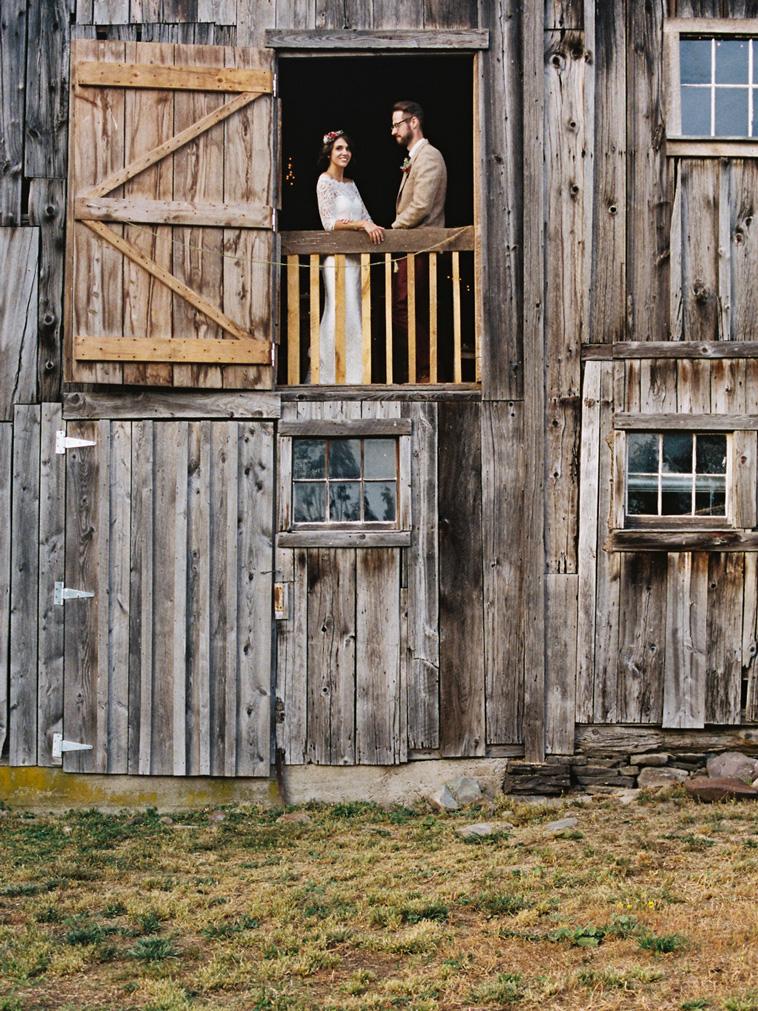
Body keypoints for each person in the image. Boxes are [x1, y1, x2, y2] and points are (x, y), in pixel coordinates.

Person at [316, 130, 384, 384]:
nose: (345, 153)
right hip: (336, 260)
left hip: (356, 262)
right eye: (339, 148)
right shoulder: (324, 182)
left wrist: (371, 226)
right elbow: (329, 223)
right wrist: (359, 225)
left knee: (355, 311)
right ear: (329, 153)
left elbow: (366, 217)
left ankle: (355, 375)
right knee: (336, 310)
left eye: (347, 149)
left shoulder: (351, 184)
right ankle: (329, 374)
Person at [390, 101, 447, 383]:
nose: (393, 132)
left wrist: (393, 229)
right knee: (408, 307)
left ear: (414, 122)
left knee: (404, 307)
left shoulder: (429, 157)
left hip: (421, 245)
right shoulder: (415, 158)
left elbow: (421, 206)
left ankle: (428, 369)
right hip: (412, 246)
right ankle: (419, 368)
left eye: (397, 125)